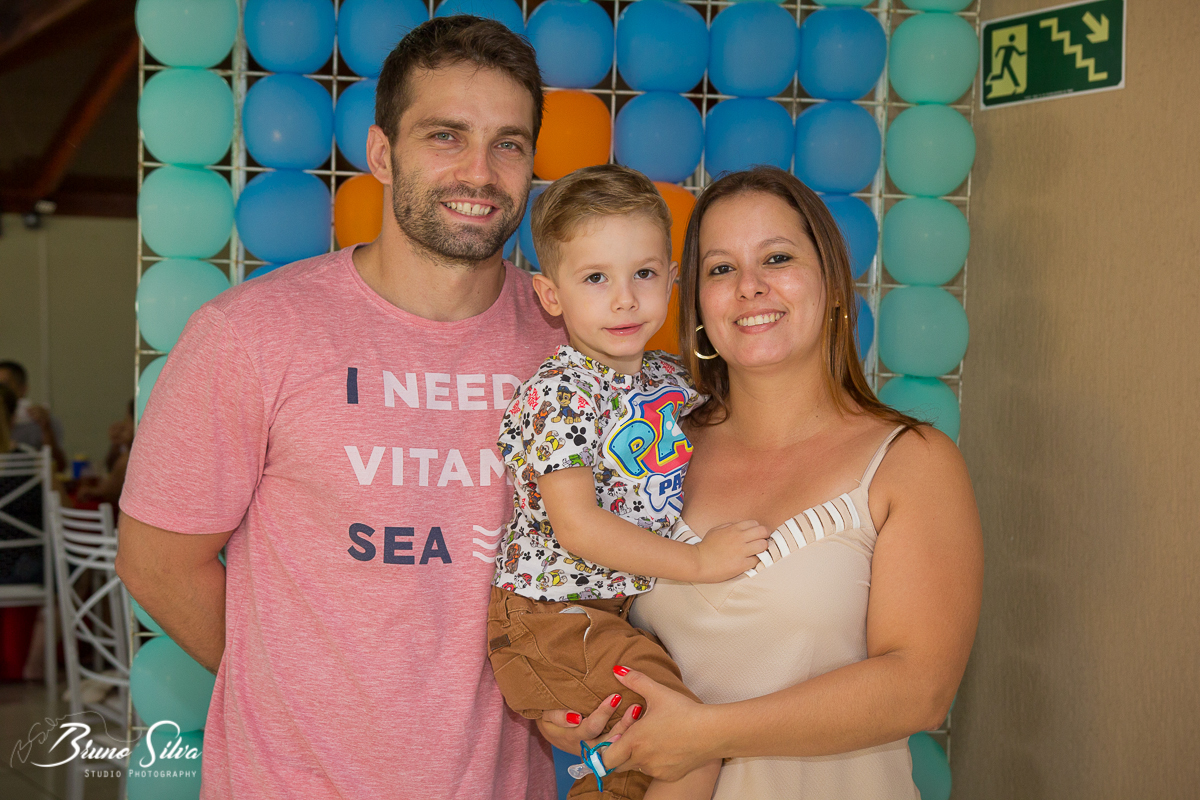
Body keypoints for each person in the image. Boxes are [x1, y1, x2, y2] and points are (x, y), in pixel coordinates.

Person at [116, 17, 566, 799]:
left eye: (509, 144)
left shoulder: (566, 340)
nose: (480, 172)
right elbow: (156, 561)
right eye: (446, 136)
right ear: (382, 154)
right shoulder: (252, 333)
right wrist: (294, 695)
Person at [537, 167, 984, 798]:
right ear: (696, 301)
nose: (750, 286)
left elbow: (921, 689)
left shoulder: (913, 462)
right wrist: (572, 698)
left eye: (777, 258)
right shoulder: (647, 449)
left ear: (832, 282)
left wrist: (705, 734)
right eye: (721, 269)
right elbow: (590, 609)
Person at [486, 165, 768, 800]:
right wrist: (698, 563)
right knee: (686, 743)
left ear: (671, 278)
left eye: (643, 273)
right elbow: (579, 528)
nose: (624, 299)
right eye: (595, 278)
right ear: (550, 294)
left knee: (636, 769)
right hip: (550, 615)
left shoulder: (671, 379)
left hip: (612, 613)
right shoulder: (560, 394)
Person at [0, 360, 67, 472]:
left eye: (4, 385)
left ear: (23, 389)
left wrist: (46, 428)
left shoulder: (41, 422)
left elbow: (59, 467)